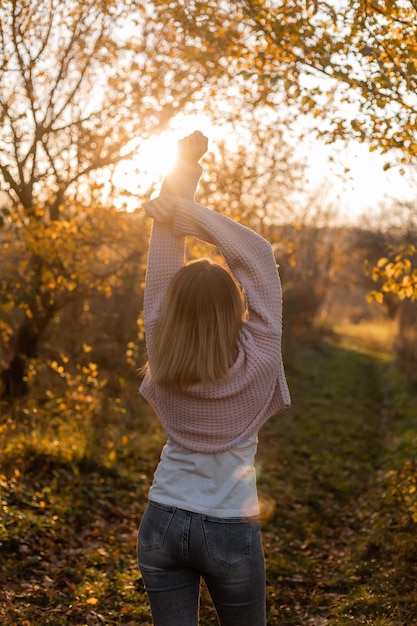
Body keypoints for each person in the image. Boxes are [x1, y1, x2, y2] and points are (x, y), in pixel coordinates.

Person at [137, 130, 291, 626]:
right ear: (233, 306)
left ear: (175, 308)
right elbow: (258, 256)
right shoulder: (260, 356)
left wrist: (182, 175)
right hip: (230, 530)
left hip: (161, 520)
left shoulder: (162, 347)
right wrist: (191, 212)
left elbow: (162, 264)